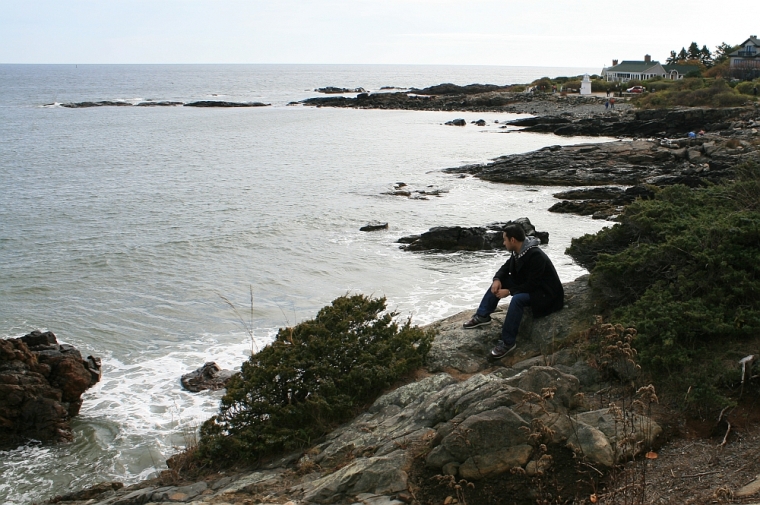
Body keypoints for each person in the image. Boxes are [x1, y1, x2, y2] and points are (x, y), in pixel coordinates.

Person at [463, 224, 564, 359]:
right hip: (531, 286)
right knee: (499, 284)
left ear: (513, 240)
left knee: (517, 299)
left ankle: (508, 342)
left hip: (547, 294)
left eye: (505, 240)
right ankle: (482, 316)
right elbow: (506, 267)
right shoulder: (519, 251)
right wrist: (497, 279)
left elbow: (533, 284)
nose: (503, 243)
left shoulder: (536, 255)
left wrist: (509, 291)